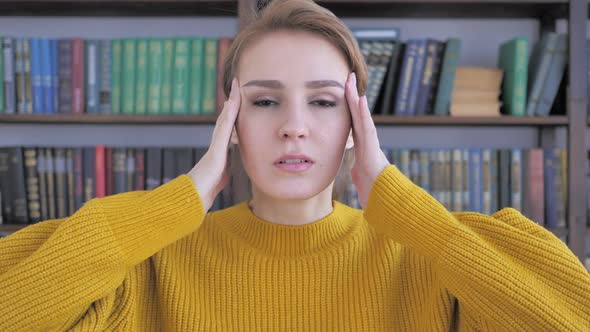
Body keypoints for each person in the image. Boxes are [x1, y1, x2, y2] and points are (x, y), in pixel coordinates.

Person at [1, 0, 589, 330]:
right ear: (230, 121)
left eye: (324, 101)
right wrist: (184, 197)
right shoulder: (146, 266)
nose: (294, 125)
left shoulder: (437, 258)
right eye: (263, 100)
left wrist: (398, 203)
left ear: (357, 122)